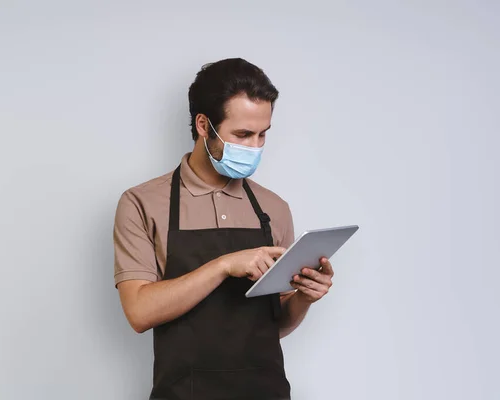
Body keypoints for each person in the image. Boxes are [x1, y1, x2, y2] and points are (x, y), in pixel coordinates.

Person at [113, 58, 334, 400]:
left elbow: (273, 325)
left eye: (263, 135)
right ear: (204, 125)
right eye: (243, 134)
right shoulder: (143, 203)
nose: (255, 147)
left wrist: (304, 296)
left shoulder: (273, 209)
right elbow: (140, 312)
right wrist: (223, 265)